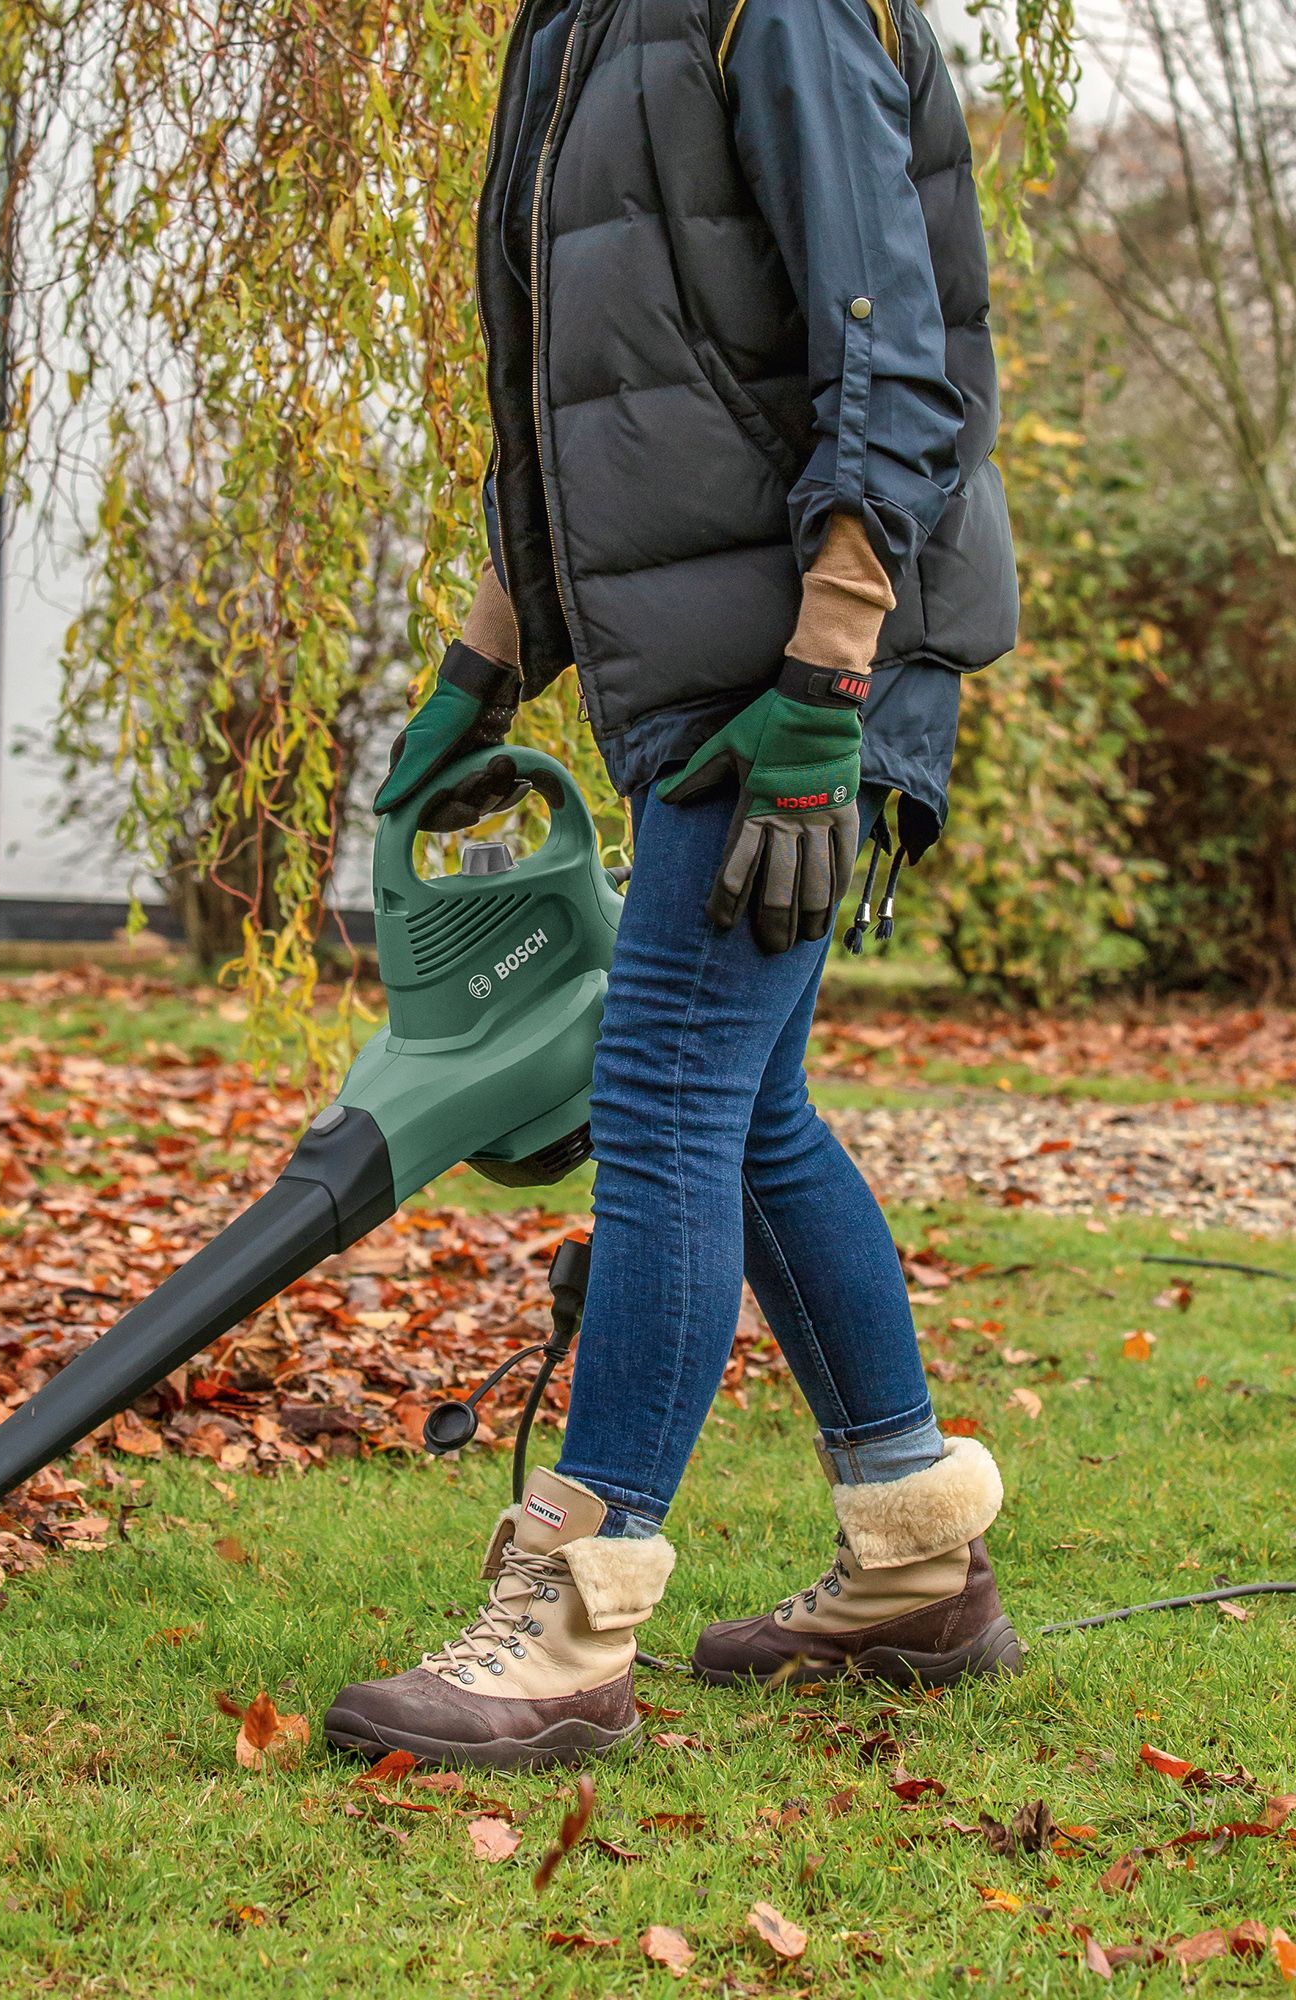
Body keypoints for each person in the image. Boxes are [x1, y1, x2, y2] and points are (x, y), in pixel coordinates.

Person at [322, 0, 1023, 1770]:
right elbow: (574, 404)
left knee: (664, 1094)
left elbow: (897, 347)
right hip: (711, 650)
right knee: (753, 1107)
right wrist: (485, 665)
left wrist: (831, 675)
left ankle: (575, 1614)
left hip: (791, 666)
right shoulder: (570, 30)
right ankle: (914, 1553)